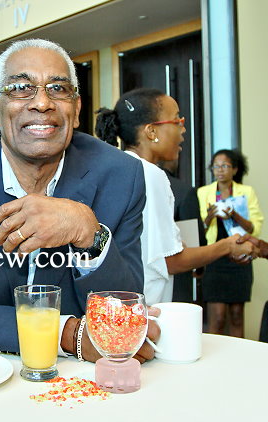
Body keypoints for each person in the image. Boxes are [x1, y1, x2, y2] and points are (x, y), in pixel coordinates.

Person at [0, 38, 159, 364]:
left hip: (74, 376)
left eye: (58, 89)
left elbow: (124, 311)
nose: (42, 103)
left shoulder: (121, 174)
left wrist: (89, 232)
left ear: (76, 110)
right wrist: (66, 333)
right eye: (20, 88)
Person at [95, 88, 256, 306]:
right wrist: (227, 246)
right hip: (146, 305)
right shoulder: (150, 175)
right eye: (177, 120)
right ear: (151, 131)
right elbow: (170, 261)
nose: (183, 129)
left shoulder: (117, 167)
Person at [197, 149, 263, 337]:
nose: (220, 170)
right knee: (218, 317)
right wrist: (209, 217)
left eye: (225, 166)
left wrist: (233, 214)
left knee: (236, 315)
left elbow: (254, 229)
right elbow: (200, 230)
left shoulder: (246, 192)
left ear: (234, 169)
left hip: (240, 257)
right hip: (215, 257)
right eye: (216, 166)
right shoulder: (204, 192)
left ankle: (239, 354)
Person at [159, 159, 207, 303]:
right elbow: (194, 239)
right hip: (176, 276)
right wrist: (199, 266)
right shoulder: (183, 191)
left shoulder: (128, 183)